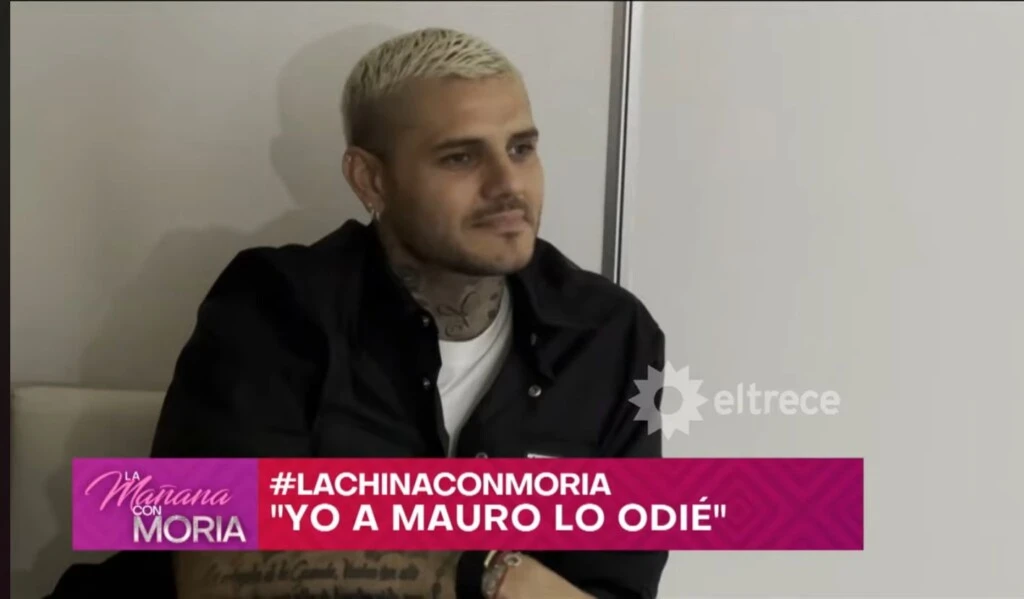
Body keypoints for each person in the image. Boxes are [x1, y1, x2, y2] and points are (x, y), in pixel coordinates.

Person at [51, 27, 668, 599]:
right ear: (370, 179)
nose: (508, 184)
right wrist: (487, 572)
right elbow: (211, 558)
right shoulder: (275, 305)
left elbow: (615, 584)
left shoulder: (609, 334)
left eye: (521, 148)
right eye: (460, 157)